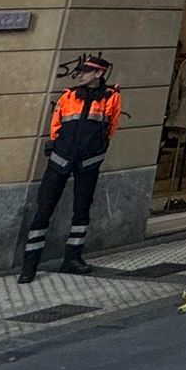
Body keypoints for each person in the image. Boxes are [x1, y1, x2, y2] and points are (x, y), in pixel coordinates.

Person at [19, 53, 122, 283]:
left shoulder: (110, 98)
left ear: (99, 73)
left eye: (86, 71)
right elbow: (56, 124)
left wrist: (98, 149)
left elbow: (111, 126)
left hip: (89, 160)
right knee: (44, 208)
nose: (81, 75)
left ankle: (73, 258)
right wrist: (57, 148)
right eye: (81, 71)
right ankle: (30, 264)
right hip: (61, 158)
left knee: (82, 209)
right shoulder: (69, 96)